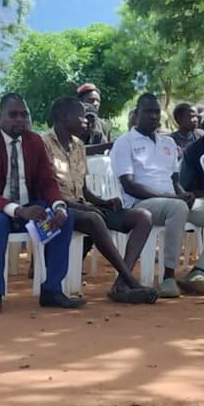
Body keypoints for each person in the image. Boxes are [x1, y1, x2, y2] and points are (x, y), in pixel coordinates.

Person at [0, 93, 83, 315]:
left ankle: (52, 289)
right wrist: (18, 210)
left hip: (26, 209)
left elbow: (46, 181)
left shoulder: (34, 142)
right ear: (0, 115)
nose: (20, 119)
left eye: (24, 114)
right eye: (13, 115)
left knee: (64, 218)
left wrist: (58, 205)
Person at [111, 93, 204, 297]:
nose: (154, 117)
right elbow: (129, 186)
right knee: (178, 207)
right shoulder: (124, 142)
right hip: (141, 205)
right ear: (136, 114)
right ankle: (168, 277)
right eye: (148, 112)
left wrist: (184, 194)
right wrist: (174, 199)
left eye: (157, 112)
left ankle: (200, 272)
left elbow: (174, 181)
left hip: (173, 203)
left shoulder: (168, 143)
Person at [42, 96, 157, 303]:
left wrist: (102, 202)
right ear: (64, 117)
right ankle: (131, 281)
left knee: (143, 217)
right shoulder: (43, 144)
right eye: (80, 116)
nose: (86, 120)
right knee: (93, 218)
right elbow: (46, 190)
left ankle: (121, 284)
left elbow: (83, 189)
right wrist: (85, 208)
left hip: (82, 206)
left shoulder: (78, 145)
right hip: (59, 210)